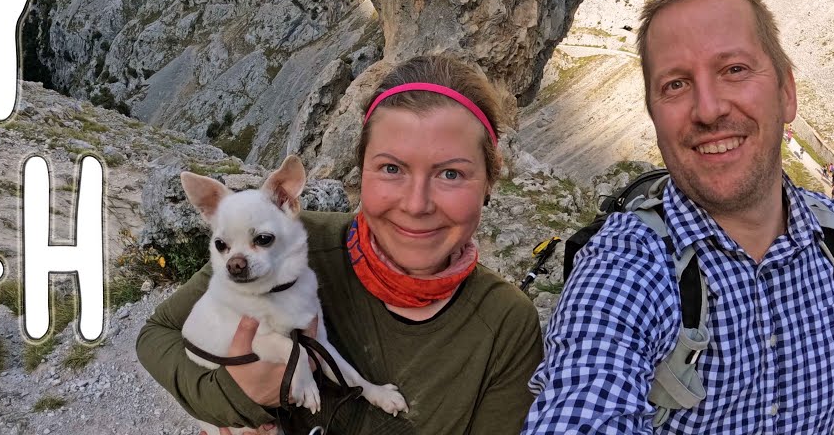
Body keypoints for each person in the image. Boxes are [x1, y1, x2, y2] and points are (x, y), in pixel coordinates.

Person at [527, 0, 834, 433]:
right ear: (654, 116)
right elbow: (583, 407)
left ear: (787, 93)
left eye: (734, 70)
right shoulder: (626, 267)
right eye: (675, 84)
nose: (709, 109)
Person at [138, 55, 543, 434]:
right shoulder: (284, 243)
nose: (417, 204)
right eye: (391, 168)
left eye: (451, 174)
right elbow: (158, 335)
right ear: (360, 172)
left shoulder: (506, 324)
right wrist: (234, 396)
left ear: (489, 182)